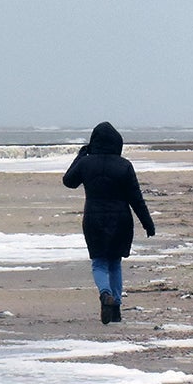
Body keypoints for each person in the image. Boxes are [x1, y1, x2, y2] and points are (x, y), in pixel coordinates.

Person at [62, 122, 155, 324]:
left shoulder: (86, 164)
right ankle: (116, 308)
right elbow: (136, 198)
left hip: (94, 218)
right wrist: (147, 223)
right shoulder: (124, 165)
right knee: (115, 262)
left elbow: (69, 181)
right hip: (121, 219)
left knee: (99, 262)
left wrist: (81, 156)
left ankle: (105, 294)